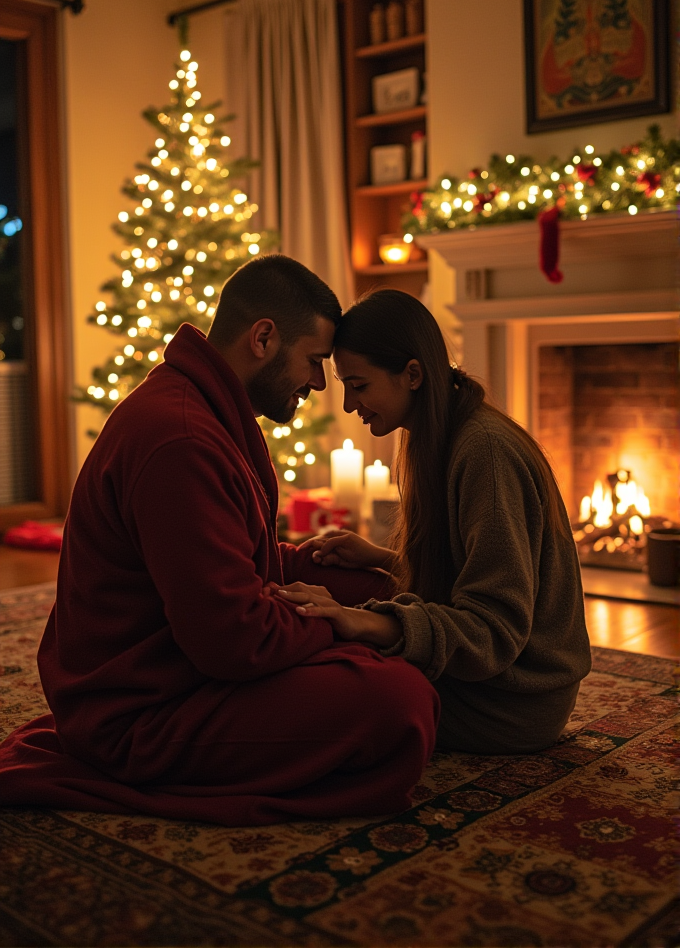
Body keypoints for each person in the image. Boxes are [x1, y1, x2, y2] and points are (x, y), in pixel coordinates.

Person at [0, 259, 438, 826]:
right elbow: (232, 639)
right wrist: (341, 624)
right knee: (396, 701)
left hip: (186, 659)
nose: (320, 383)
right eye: (314, 361)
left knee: (378, 587)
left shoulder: (205, 406)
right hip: (141, 710)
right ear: (263, 337)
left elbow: (230, 557)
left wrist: (327, 578)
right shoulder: (180, 438)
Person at [275, 290, 591, 755]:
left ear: (413, 374)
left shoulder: (484, 450)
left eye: (359, 385)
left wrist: (362, 622)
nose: (347, 404)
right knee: (323, 592)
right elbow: (473, 570)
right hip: (484, 680)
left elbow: (494, 633)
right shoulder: (434, 433)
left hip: (510, 701)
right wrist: (387, 559)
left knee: (320, 674)